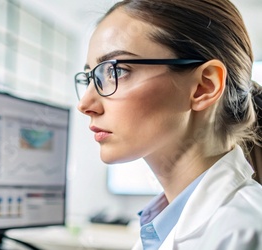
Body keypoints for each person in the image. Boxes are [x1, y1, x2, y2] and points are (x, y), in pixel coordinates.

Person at [74, 0, 262, 249]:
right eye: (91, 76)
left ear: (204, 87)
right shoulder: (160, 226)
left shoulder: (244, 232)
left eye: (116, 71)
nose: (85, 104)